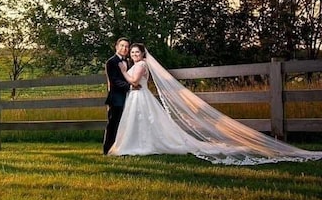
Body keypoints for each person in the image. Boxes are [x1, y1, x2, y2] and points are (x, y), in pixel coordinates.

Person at [107, 43, 322, 165]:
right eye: (132, 52)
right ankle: (137, 144)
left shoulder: (141, 65)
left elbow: (135, 82)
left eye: (137, 52)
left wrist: (125, 73)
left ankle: (142, 145)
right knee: (141, 123)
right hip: (136, 98)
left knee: (146, 122)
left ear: (143, 54)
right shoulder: (135, 63)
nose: (134, 54)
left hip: (140, 96)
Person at [102, 37, 140, 155]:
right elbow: (114, 81)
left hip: (129, 98)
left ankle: (121, 148)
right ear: (117, 47)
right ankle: (107, 150)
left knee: (125, 125)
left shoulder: (128, 62)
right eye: (122, 46)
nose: (124, 48)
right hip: (116, 98)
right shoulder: (111, 62)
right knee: (113, 124)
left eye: (127, 46)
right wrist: (130, 87)